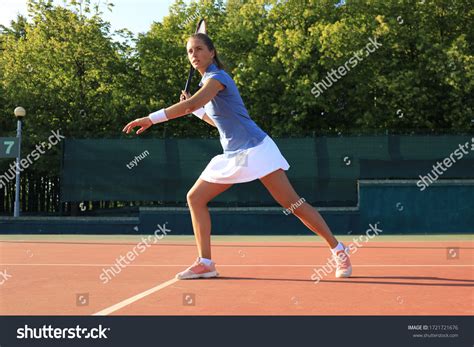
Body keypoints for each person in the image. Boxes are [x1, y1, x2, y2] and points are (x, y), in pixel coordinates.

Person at [122, 33, 352, 280]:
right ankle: (206, 262)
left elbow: (189, 106)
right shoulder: (206, 84)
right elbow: (219, 122)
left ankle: (339, 250)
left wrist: (151, 118)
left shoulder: (217, 78)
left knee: (292, 204)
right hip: (233, 155)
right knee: (195, 198)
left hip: (257, 149)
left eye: (199, 49)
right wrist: (197, 112)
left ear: (212, 53)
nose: (194, 55)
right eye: (190, 51)